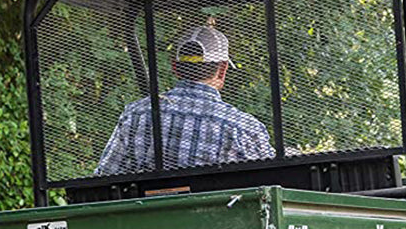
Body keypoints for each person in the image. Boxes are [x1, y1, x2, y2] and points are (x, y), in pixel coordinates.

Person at [95, 24, 274, 175]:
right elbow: (273, 180)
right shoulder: (244, 127)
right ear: (222, 69)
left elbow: (104, 176)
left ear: (175, 68)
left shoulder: (136, 115)